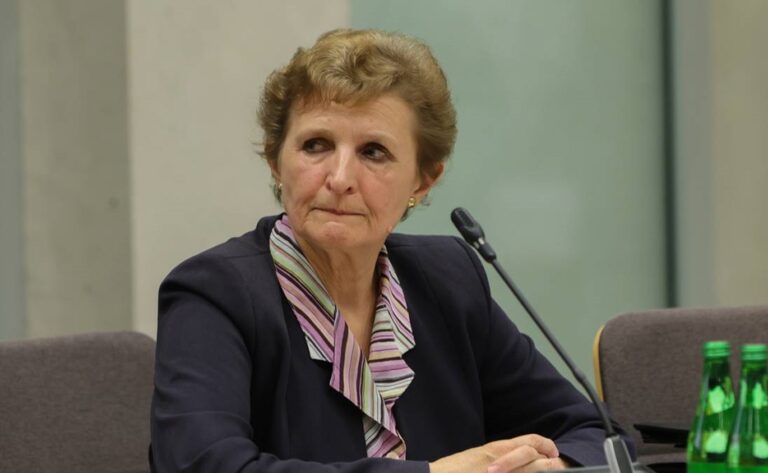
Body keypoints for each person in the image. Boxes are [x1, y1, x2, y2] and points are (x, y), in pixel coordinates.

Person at [150, 28, 634, 473]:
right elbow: (202, 467)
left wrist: (554, 467)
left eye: (373, 152)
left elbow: (599, 436)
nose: (340, 178)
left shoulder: (448, 280)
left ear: (423, 180)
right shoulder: (214, 295)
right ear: (277, 161)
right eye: (316, 145)